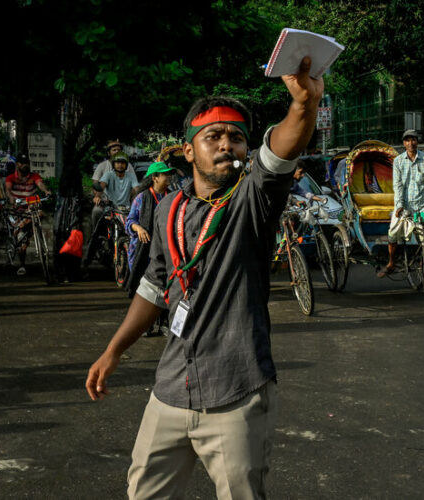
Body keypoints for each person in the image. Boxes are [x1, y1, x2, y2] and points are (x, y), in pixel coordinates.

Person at [85, 57, 322, 498]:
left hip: (237, 392)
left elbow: (280, 152)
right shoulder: (167, 208)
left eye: (236, 137)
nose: (226, 145)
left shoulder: (254, 201)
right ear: (189, 150)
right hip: (171, 389)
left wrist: (304, 106)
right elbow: (154, 288)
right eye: (213, 136)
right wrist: (113, 351)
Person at [379, 129, 424, 277]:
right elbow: (398, 185)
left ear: (417, 142)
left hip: (422, 205)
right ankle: (391, 262)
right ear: (404, 143)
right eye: (407, 140)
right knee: (393, 233)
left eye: (413, 139)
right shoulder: (398, 161)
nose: (411, 143)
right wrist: (400, 205)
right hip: (404, 206)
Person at [124, 161, 173, 297]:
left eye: (169, 174)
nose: (169, 177)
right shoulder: (141, 198)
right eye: (165, 174)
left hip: (163, 248)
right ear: (155, 178)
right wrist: (139, 228)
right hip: (142, 248)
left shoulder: (172, 197)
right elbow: (130, 221)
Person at [5, 153, 52, 276]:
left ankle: (20, 228)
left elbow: (40, 184)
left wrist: (46, 191)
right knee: (22, 241)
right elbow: (8, 190)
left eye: (27, 163)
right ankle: (22, 265)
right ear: (18, 164)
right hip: (18, 210)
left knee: (39, 214)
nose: (25, 165)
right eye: (22, 163)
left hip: (31, 210)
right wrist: (11, 198)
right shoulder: (11, 178)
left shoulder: (34, 176)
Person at [91, 140, 138, 229]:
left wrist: (137, 199)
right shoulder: (105, 170)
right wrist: (97, 196)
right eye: (114, 150)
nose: (120, 165)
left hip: (126, 206)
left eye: (122, 163)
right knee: (96, 211)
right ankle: (96, 235)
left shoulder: (130, 173)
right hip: (106, 203)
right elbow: (99, 185)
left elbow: (136, 189)